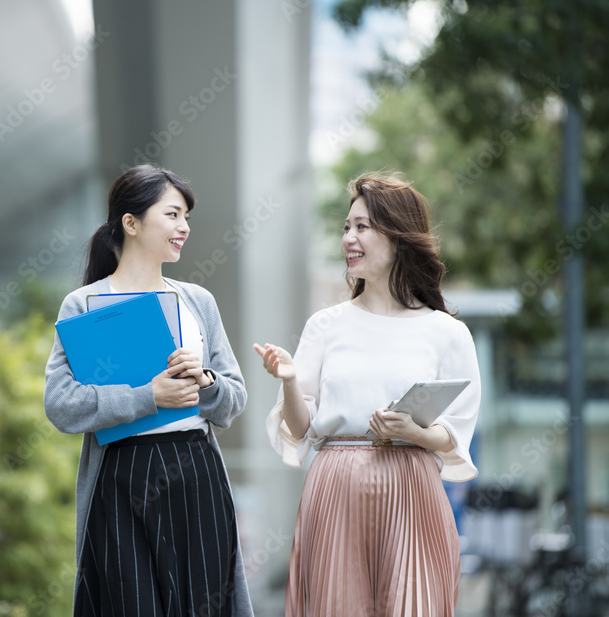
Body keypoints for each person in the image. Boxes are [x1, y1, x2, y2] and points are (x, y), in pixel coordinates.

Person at [255, 172, 481, 616]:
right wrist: (287, 378)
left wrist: (414, 431)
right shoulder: (326, 324)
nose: (349, 239)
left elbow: (454, 436)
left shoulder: (447, 333)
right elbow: (302, 430)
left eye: (363, 227)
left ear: (398, 238)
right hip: (336, 483)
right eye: (346, 227)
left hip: (413, 486)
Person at [44, 164, 254, 616]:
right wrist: (148, 396)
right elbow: (60, 406)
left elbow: (235, 398)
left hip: (197, 473)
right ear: (131, 222)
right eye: (173, 215)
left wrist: (207, 383)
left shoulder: (197, 301)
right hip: (120, 476)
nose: (184, 228)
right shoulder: (84, 304)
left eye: (186, 218)